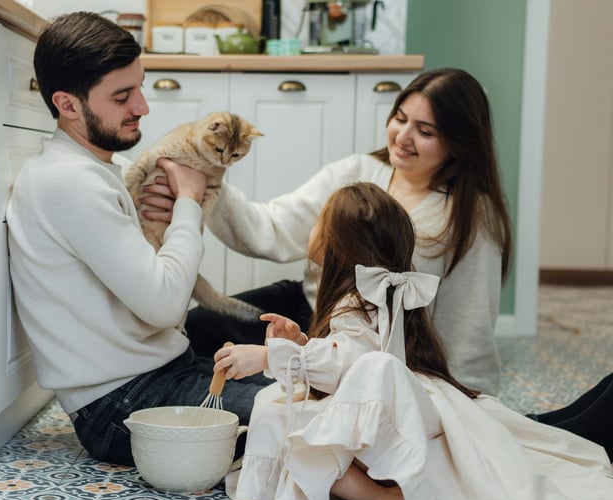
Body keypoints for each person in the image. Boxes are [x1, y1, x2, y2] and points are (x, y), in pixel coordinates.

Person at [213, 182, 613, 500]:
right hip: (400, 397)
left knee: (302, 405)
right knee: (282, 404)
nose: (313, 228)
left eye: (320, 221)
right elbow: (342, 354)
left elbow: (350, 363)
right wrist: (298, 344)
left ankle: (378, 496)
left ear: (339, 243)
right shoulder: (361, 295)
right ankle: (358, 485)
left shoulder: (359, 299)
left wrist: (268, 358)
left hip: (398, 402)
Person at [141, 67, 511, 396]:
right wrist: (201, 182)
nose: (402, 136)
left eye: (425, 131)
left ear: (460, 144)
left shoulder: (473, 217)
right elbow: (270, 228)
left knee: (279, 389)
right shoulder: (355, 171)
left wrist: (468, 404)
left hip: (377, 347)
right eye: (400, 118)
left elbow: (468, 331)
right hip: (308, 311)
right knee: (199, 328)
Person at [4, 12, 268, 466]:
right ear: (67, 105)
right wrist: (189, 198)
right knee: (321, 418)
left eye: (140, 87)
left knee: (317, 395)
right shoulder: (68, 182)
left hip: (161, 373)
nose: (143, 107)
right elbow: (166, 304)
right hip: (121, 406)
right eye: (123, 96)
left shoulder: (95, 173)